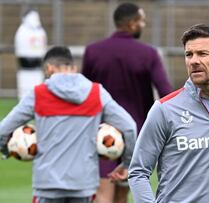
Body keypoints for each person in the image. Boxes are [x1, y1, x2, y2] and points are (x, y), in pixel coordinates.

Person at [112, 24, 209, 203]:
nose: (193, 61)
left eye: (202, 54)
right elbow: (138, 171)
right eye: (188, 55)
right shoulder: (164, 109)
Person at [0, 46, 137, 203]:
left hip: (47, 185)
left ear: (49, 68)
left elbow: (3, 130)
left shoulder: (38, 94)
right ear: (73, 68)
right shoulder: (96, 93)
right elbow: (129, 127)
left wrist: (8, 149)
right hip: (83, 185)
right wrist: (127, 164)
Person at [82, 2, 172, 203]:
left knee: (103, 191)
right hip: (138, 134)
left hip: (100, 131)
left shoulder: (93, 51)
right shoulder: (148, 54)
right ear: (132, 24)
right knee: (123, 192)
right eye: (142, 21)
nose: (144, 25)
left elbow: (84, 92)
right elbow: (165, 92)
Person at [14, 9, 47, 99]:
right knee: (25, 91)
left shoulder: (40, 31)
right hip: (25, 66)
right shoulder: (22, 31)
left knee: (36, 91)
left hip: (38, 65)